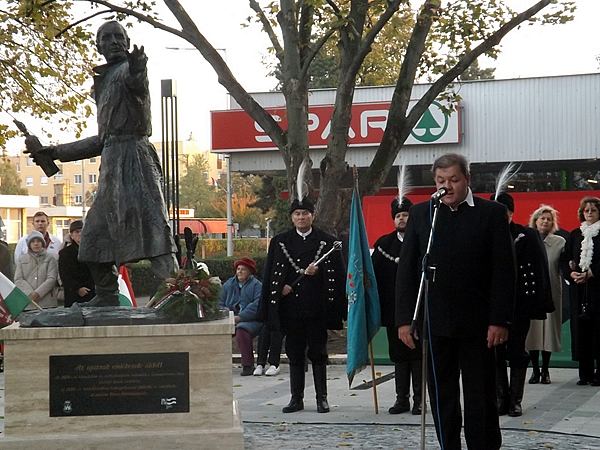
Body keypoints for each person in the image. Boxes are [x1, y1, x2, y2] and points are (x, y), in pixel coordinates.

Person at [24, 21, 176, 307]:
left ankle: (180, 291)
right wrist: (54, 152)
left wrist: (138, 67)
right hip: (112, 169)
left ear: (127, 42)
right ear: (98, 46)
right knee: (93, 237)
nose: (114, 41)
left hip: (136, 162)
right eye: (107, 38)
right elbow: (102, 140)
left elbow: (137, 82)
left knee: (153, 231)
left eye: (119, 37)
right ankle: (106, 295)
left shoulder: (126, 71)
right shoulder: (104, 82)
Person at [396, 153, 516, 450]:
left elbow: (504, 271)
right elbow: (408, 269)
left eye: (453, 180)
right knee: (441, 394)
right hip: (435, 322)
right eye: (440, 181)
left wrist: (499, 319)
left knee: (480, 394)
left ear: (467, 179)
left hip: (478, 323)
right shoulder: (423, 213)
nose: (446, 187)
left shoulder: (491, 213)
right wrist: (405, 320)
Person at [257, 195, 346, 414]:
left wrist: (319, 272)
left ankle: (321, 398)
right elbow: (271, 275)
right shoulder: (280, 241)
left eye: (305, 213)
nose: (301, 217)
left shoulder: (327, 242)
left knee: (318, 354)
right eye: (297, 214)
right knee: (295, 354)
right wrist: (281, 288)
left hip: (316, 308)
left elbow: (338, 276)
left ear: (312, 216)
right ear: (292, 218)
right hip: (292, 309)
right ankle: (296, 398)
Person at [491, 193, 553, 417]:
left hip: (519, 305)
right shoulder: (486, 234)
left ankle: (515, 401)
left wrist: (538, 303)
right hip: (493, 305)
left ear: (511, 213)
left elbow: (539, 268)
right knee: (495, 352)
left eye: (505, 212)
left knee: (516, 350)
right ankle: (501, 399)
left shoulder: (526, 234)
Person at [372, 195, 422, 415]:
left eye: (405, 215)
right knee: (399, 356)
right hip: (393, 311)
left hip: (419, 309)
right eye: (398, 216)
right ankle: (402, 399)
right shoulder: (384, 245)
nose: (402, 219)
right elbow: (373, 277)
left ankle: (419, 400)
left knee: (418, 356)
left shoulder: (422, 240)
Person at [526, 205, 566, 385]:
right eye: (542, 218)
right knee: (533, 332)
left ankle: (545, 370)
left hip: (551, 293)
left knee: (549, 332)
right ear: (535, 221)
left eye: (549, 219)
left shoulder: (560, 242)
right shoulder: (527, 239)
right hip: (532, 293)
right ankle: (534, 370)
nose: (545, 222)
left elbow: (563, 266)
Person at [563, 196, 600, 386]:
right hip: (578, 290)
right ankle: (584, 373)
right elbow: (564, 258)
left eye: (593, 210)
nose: (590, 213)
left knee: (598, 330)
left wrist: (592, 273)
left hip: (597, 289)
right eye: (587, 210)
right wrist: (571, 272)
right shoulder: (575, 234)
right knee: (581, 331)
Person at [219, 257, 263, 376]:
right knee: (218, 331)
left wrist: (240, 317)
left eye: (243, 269)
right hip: (230, 318)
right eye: (238, 269)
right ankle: (218, 364)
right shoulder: (228, 284)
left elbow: (257, 305)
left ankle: (248, 365)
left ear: (250, 272)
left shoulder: (257, 286)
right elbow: (220, 302)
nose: (240, 272)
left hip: (251, 320)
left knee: (242, 330)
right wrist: (227, 315)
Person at [15, 231, 59, 310]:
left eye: (38, 241)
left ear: (42, 243)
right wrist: (30, 293)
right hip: (28, 303)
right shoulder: (22, 259)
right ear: (29, 244)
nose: (36, 244)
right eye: (33, 241)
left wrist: (38, 293)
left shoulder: (50, 258)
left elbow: (51, 279)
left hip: (47, 303)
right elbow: (18, 279)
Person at [58, 220, 96, 307]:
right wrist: (77, 288)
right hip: (73, 296)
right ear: (71, 236)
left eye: (82, 231)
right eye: (77, 232)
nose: (80, 234)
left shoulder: (94, 250)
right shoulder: (65, 253)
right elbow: (64, 275)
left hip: (93, 293)